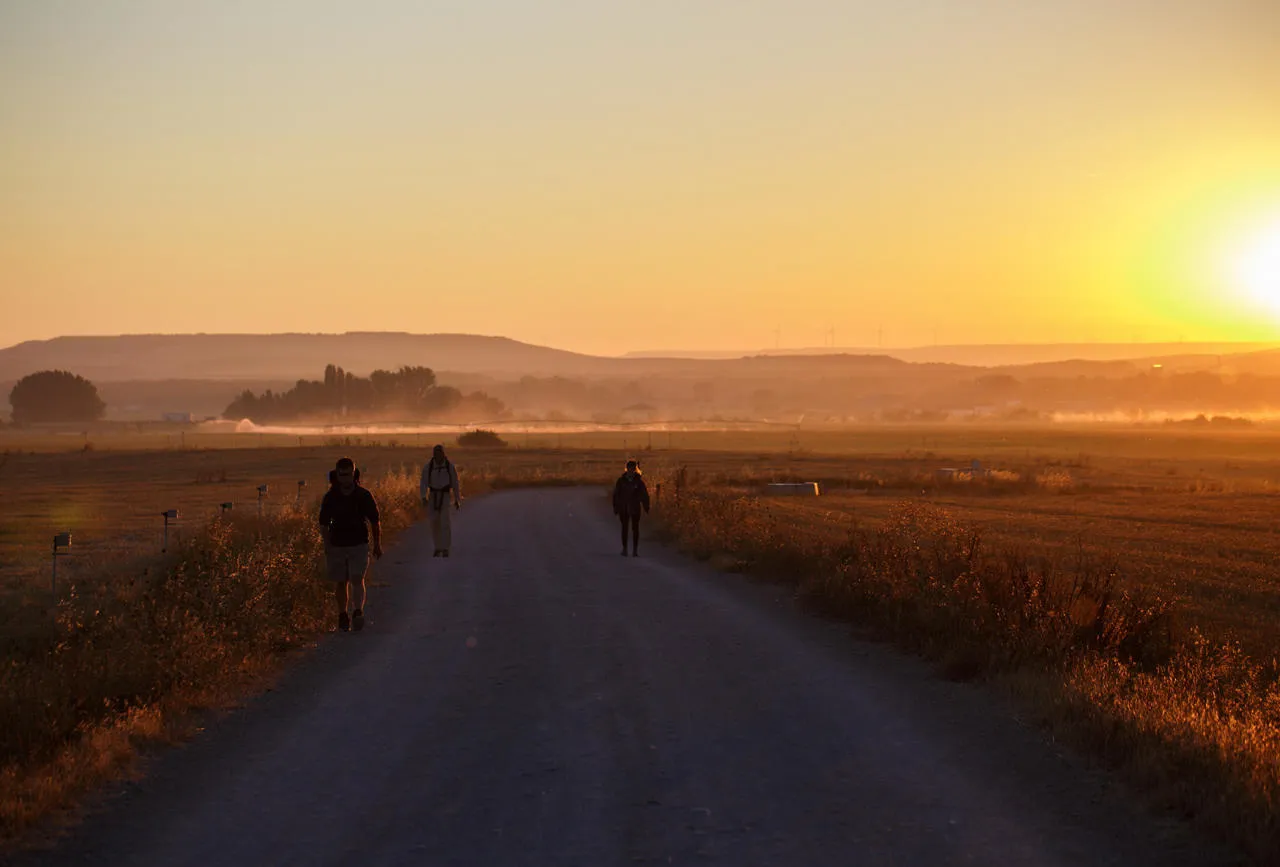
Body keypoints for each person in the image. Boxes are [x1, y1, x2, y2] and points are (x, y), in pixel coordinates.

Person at [318, 457, 382, 632]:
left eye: (348, 474)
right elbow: (323, 523)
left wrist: (377, 544)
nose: (345, 478)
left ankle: (358, 612)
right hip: (337, 544)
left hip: (359, 544)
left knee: (356, 578)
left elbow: (375, 521)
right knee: (340, 582)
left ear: (354, 474)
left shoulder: (363, 495)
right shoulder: (331, 497)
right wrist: (327, 544)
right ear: (337, 475)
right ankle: (342, 614)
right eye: (342, 475)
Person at [420, 444, 461, 556]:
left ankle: (445, 548)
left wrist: (457, 499)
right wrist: (424, 497)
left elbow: (455, 483)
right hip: (433, 496)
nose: (437, 455)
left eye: (439, 453)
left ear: (443, 454)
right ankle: (437, 547)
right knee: (434, 523)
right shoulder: (428, 467)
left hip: (445, 497)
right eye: (436, 453)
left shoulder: (449, 467)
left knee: (445, 522)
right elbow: (423, 483)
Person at [612, 459, 650, 557]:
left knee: (635, 529)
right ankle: (624, 549)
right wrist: (616, 507)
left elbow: (644, 494)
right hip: (623, 508)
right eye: (629, 469)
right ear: (626, 469)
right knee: (624, 529)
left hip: (635, 508)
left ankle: (635, 550)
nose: (631, 471)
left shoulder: (639, 482)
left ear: (635, 469)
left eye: (633, 469)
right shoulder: (621, 481)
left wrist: (646, 506)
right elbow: (616, 495)